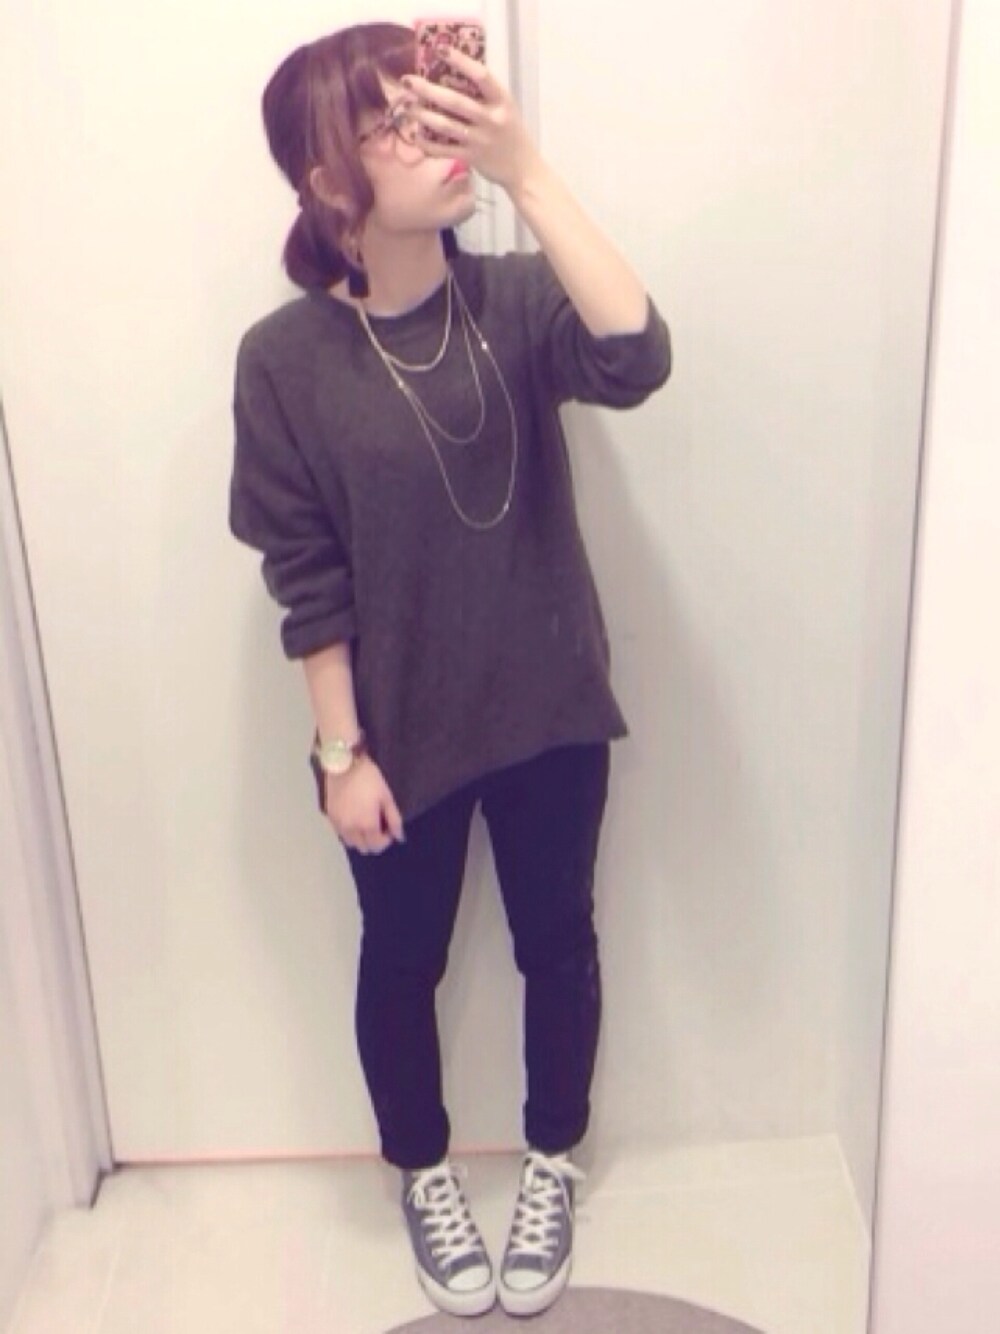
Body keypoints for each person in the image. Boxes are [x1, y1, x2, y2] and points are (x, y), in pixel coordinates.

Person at [228, 20, 671, 1321]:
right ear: (328, 179)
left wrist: (526, 169)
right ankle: (421, 1171)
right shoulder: (284, 361)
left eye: (438, 110)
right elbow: (305, 569)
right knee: (401, 958)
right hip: (398, 736)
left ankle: (551, 1159)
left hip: (550, 705)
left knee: (559, 942)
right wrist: (338, 751)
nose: (435, 141)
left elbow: (639, 357)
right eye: (396, 124)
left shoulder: (519, 302)